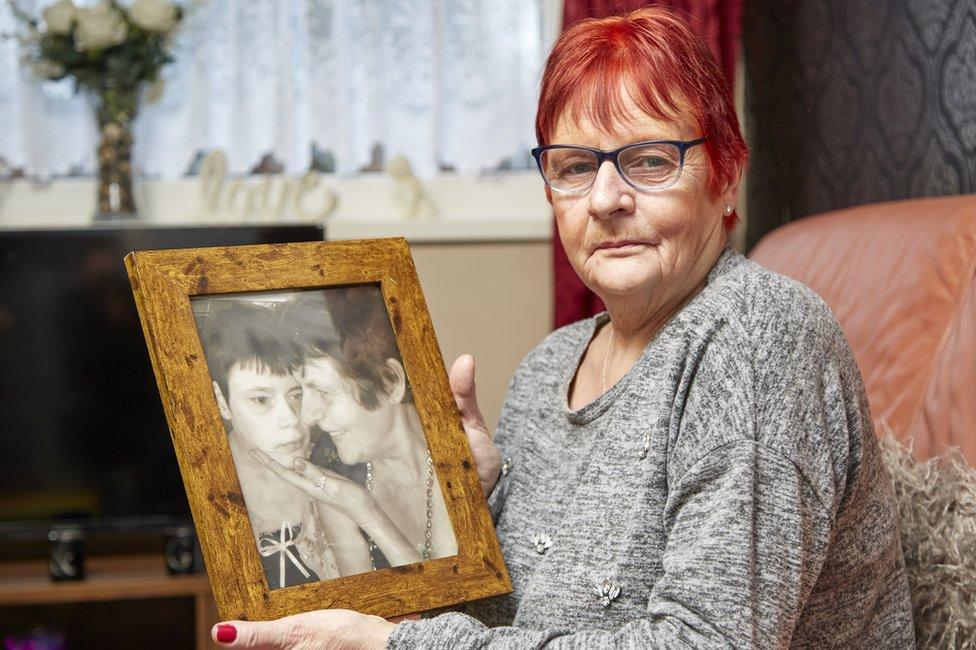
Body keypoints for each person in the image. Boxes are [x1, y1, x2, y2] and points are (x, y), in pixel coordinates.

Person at [211, 7, 915, 648]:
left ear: (726, 176)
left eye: (648, 160)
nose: (606, 199)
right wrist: (471, 501)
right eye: (576, 167)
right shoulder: (550, 365)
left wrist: (393, 646)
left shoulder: (761, 335)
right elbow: (519, 617)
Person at [250, 286, 458, 576]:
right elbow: (362, 618)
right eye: (302, 392)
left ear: (390, 382)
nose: (307, 416)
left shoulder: (458, 461)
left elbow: (457, 612)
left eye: (322, 390)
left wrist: (368, 514)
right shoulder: (333, 474)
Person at [199, 300, 340, 589]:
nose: (290, 419)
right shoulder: (204, 490)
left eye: (296, 394)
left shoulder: (341, 466)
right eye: (261, 400)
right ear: (221, 401)